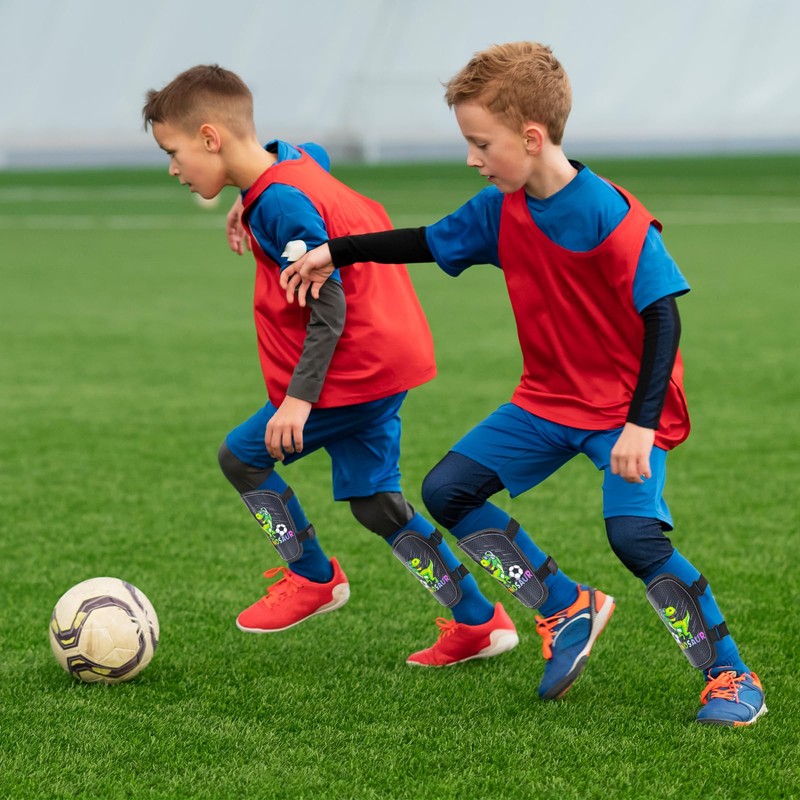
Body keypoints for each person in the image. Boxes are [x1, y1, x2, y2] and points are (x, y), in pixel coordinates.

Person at [280, 42, 766, 725]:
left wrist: (640, 424)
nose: (471, 158)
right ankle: (565, 605)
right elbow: (425, 240)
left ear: (532, 138)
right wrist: (337, 251)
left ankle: (731, 675)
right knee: (448, 490)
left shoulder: (610, 215)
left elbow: (663, 317)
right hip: (546, 400)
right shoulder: (497, 209)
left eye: (481, 144)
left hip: (625, 410)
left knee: (635, 538)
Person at [142, 65, 521, 666]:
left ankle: (312, 577)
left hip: (354, 367)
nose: (173, 169)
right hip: (390, 354)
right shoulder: (288, 169)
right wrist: (243, 199)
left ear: (210, 138)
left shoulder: (281, 204)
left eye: (173, 152)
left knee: (241, 458)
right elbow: (306, 152)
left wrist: (297, 401)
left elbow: (329, 304)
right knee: (376, 503)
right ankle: (477, 620)